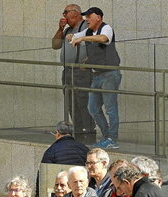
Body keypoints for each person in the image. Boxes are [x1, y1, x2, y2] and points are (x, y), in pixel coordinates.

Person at [71, 7, 121, 150]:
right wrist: (71, 37)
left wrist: (82, 38)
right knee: (92, 107)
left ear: (98, 17)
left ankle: (113, 138)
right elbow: (74, 36)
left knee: (111, 108)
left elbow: (104, 39)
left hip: (110, 73)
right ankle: (107, 137)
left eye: (89, 16)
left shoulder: (106, 28)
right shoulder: (87, 31)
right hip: (97, 74)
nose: (86, 19)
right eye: (85, 17)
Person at [51, 4, 94, 140]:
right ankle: (78, 130)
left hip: (81, 72)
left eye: (66, 13)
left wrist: (87, 61)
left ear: (75, 13)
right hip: (68, 71)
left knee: (82, 102)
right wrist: (60, 29)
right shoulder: (67, 29)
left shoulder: (85, 28)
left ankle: (88, 131)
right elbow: (55, 45)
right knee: (70, 102)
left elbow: (95, 45)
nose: (64, 15)